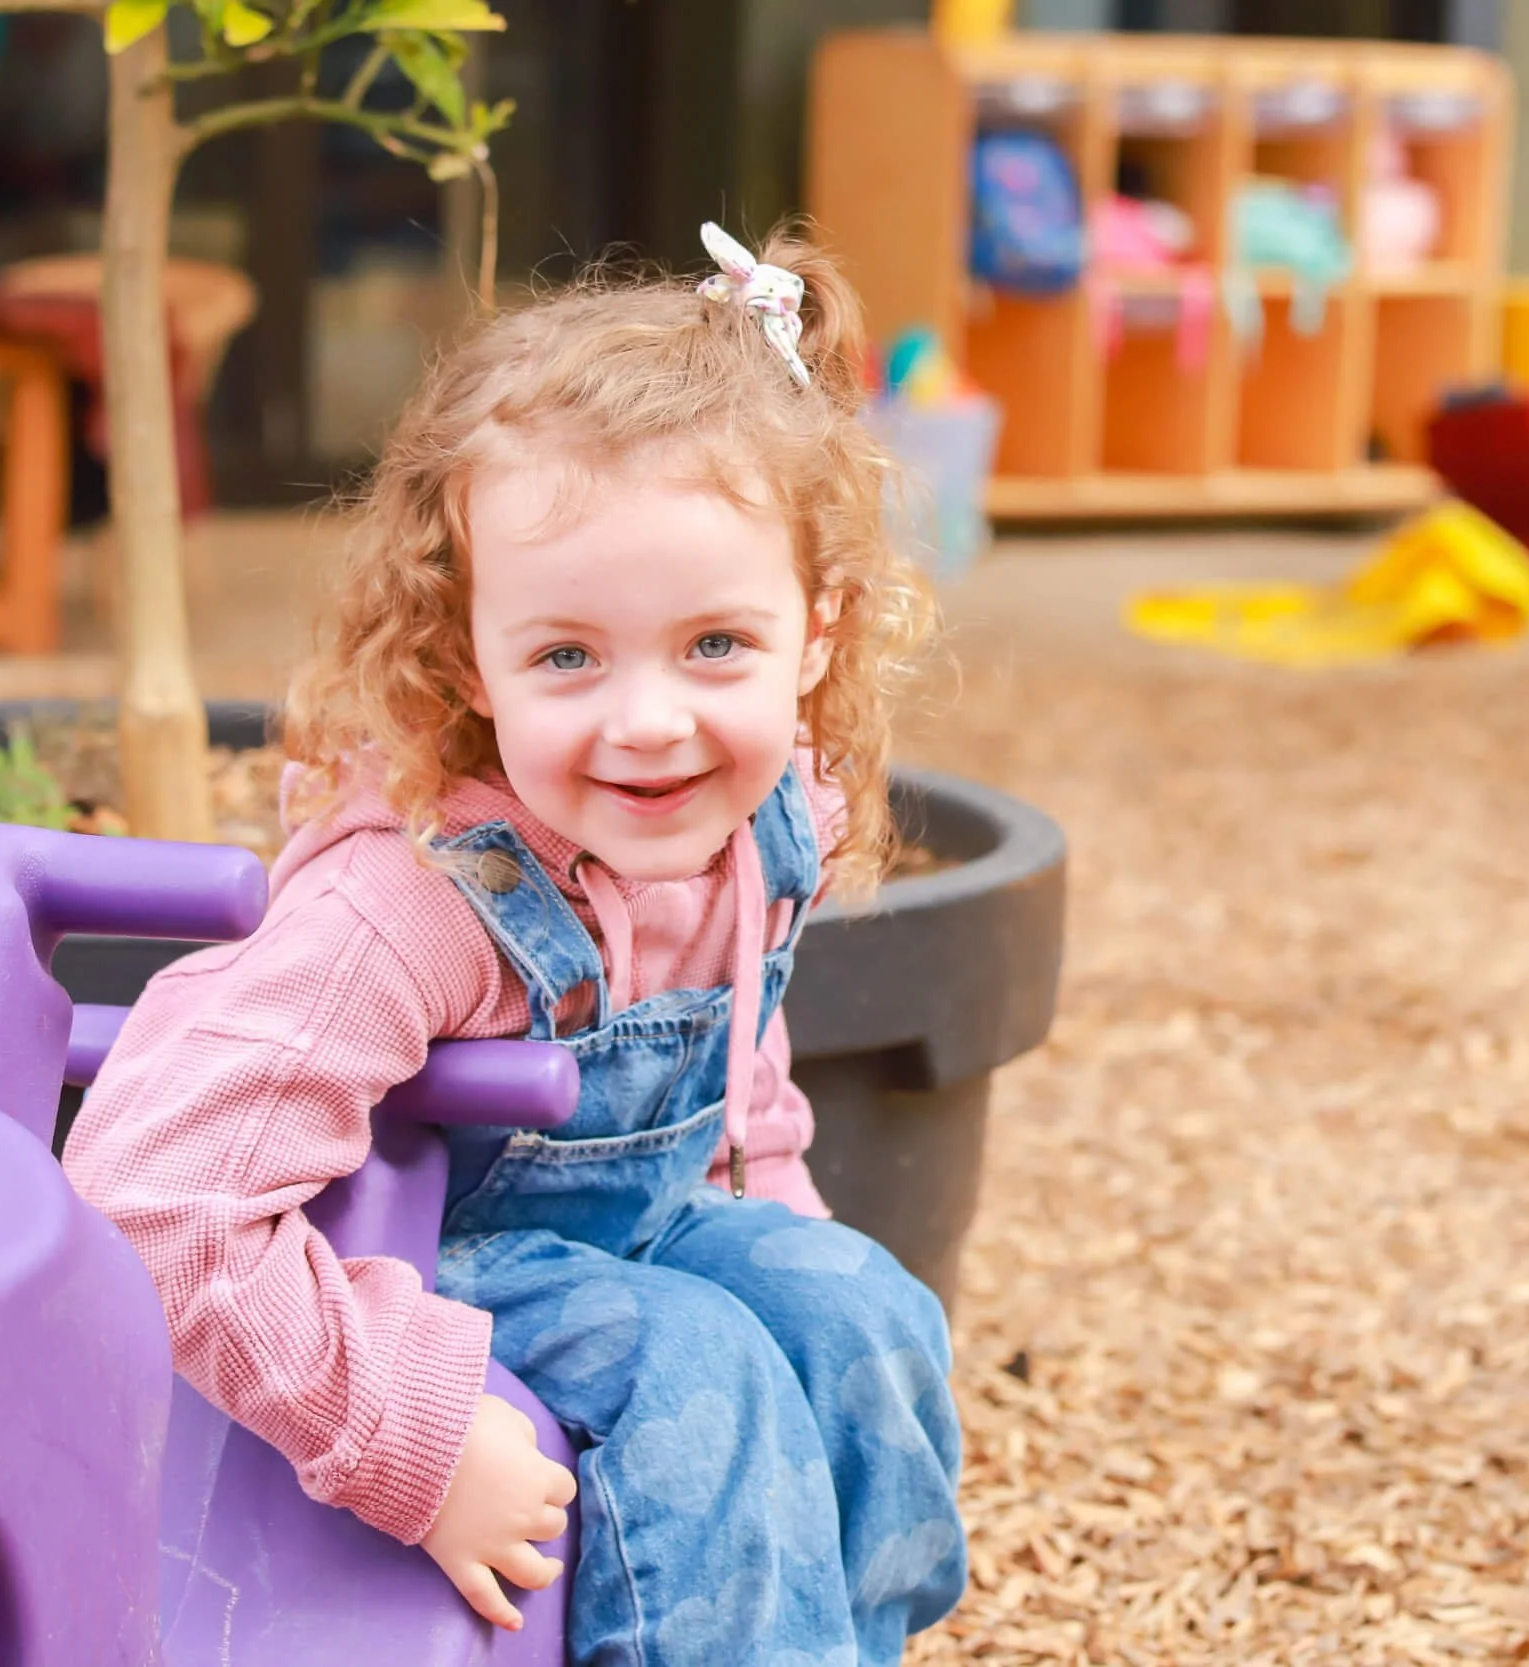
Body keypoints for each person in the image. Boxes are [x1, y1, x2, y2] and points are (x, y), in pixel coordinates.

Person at [64, 222, 965, 1665]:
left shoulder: (773, 811)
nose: (652, 719)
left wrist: (782, 1228)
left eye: (716, 644)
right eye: (567, 655)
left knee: (861, 1310)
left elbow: (742, 1075)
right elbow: (153, 1189)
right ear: (461, 657)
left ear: (817, 631)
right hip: (424, 1259)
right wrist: (409, 1443)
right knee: (697, 1368)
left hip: (648, 1220)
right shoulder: (416, 901)